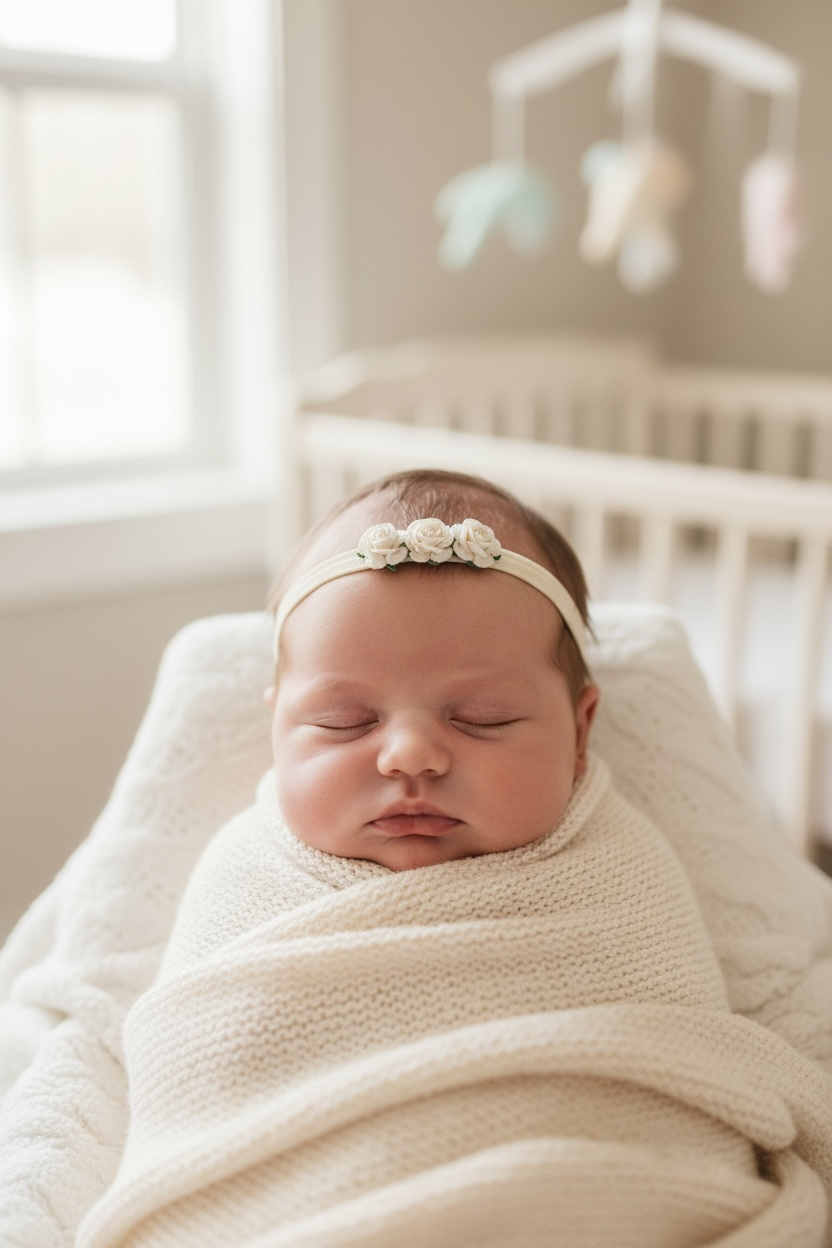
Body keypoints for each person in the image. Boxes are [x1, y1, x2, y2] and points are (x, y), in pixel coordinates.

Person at [77, 469, 825, 1248]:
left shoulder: (621, 869)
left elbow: (667, 1049)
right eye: (342, 722)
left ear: (580, 732)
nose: (410, 755)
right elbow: (201, 1063)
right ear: (277, 730)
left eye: (484, 718)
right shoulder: (244, 869)